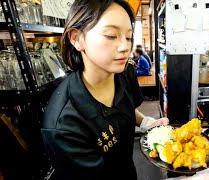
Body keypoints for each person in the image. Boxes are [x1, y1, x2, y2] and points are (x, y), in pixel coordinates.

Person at [41, 1, 169, 179]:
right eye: (111, 35)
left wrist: (146, 122)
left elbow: (125, 105)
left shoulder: (124, 72)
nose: (125, 47)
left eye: (129, 37)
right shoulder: (64, 125)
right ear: (76, 38)